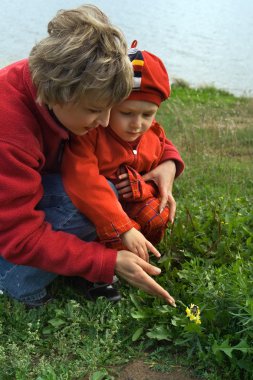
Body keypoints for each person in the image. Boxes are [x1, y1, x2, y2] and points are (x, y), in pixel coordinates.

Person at [0, 5, 180, 308]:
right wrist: (105, 261)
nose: (107, 122)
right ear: (62, 93)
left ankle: (62, 259)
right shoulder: (10, 130)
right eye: (96, 110)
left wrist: (168, 163)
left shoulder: (70, 91)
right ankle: (11, 279)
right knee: (91, 196)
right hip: (9, 229)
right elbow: (20, 236)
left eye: (111, 108)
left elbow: (138, 133)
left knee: (111, 187)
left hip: (25, 199)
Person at [62, 41, 184, 265]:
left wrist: (146, 186)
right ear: (108, 105)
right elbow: (83, 179)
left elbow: (158, 160)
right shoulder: (92, 133)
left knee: (157, 215)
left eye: (148, 114)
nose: (137, 124)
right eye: (126, 112)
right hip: (102, 209)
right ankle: (103, 269)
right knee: (112, 235)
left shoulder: (153, 134)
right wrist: (123, 227)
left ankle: (144, 252)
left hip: (133, 202)